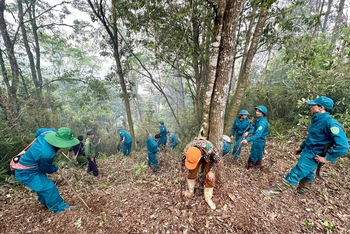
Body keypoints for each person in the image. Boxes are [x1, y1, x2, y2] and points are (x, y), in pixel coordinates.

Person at [262, 96, 349, 197]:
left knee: (297, 171)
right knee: (308, 173)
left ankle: (274, 192)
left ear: (321, 108)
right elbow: (313, 137)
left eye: (313, 105)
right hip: (308, 151)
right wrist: (301, 147)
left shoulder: (330, 123)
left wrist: (328, 158)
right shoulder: (316, 119)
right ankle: (301, 193)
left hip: (314, 155)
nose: (310, 107)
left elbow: (343, 146)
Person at [11, 127, 80, 212]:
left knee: (43, 186)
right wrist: (55, 168)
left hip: (35, 164)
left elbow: (38, 131)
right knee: (48, 187)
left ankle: (47, 202)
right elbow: (45, 168)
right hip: (26, 171)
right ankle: (59, 208)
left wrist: (38, 143)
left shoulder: (49, 132)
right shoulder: (47, 154)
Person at [180, 138, 220, 210]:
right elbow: (183, 160)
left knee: (210, 177)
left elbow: (217, 160)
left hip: (208, 158)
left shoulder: (210, 148)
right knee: (191, 172)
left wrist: (211, 171)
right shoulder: (187, 150)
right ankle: (191, 191)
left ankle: (208, 198)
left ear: (199, 158)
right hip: (195, 157)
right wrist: (182, 170)